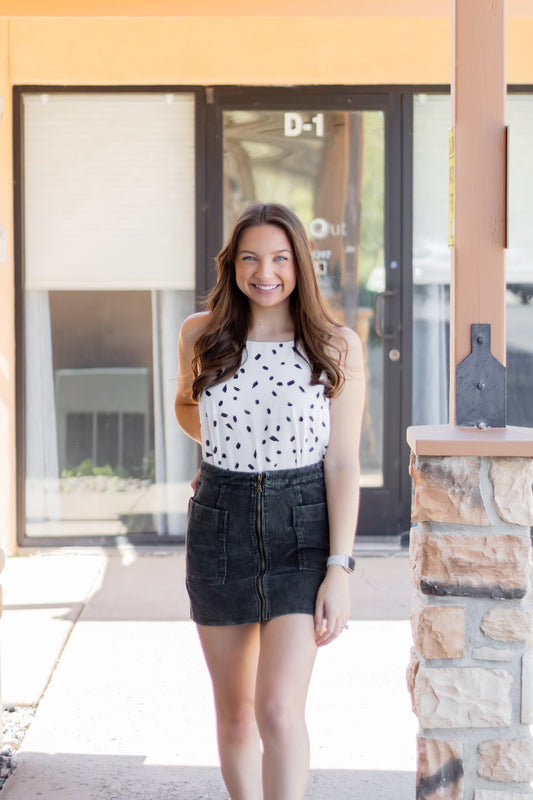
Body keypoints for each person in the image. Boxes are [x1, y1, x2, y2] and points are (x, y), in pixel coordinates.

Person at [175, 202, 365, 800]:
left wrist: (340, 569)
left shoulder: (337, 345)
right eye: (251, 258)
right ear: (233, 266)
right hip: (220, 525)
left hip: (303, 526)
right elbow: (188, 407)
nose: (266, 272)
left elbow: (342, 462)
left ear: (300, 265)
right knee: (234, 714)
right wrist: (234, 453)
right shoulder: (199, 334)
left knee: (278, 710)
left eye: (280, 258)